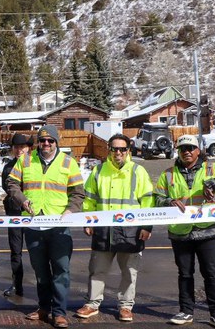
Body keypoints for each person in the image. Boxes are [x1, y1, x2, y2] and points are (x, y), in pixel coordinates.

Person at [154, 135, 215, 329]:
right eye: (182, 148)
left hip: (208, 230)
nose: (186, 152)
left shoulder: (212, 168)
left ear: (198, 150)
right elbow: (157, 198)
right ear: (178, 151)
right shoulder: (168, 174)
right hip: (180, 232)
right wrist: (169, 201)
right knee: (185, 274)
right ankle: (186, 311)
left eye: (190, 148)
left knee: (211, 274)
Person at [7, 125, 84, 328]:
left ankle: (59, 313)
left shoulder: (68, 162)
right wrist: (22, 200)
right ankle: (43, 308)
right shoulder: (25, 160)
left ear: (56, 142)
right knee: (40, 271)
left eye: (50, 140)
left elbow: (78, 192)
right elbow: (12, 183)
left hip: (59, 226)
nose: (46, 144)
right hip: (34, 225)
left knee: (61, 270)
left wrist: (71, 210)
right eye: (42, 141)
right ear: (38, 143)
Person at [75, 134, 154, 323]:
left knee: (129, 272)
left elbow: (148, 201)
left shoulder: (138, 171)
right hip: (103, 230)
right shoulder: (98, 171)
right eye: (114, 149)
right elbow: (90, 199)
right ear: (109, 150)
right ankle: (92, 303)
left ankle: (126, 306)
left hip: (131, 232)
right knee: (97, 270)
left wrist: (146, 226)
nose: (118, 152)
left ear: (128, 151)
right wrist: (88, 221)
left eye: (122, 149)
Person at [0, 133, 33, 298]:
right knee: (15, 250)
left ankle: (43, 285)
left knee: (37, 251)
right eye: (16, 147)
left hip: (33, 214)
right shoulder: (8, 167)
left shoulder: (35, 165)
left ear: (28, 148)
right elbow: (7, 187)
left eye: (22, 147)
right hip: (14, 213)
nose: (19, 150)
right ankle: (17, 284)